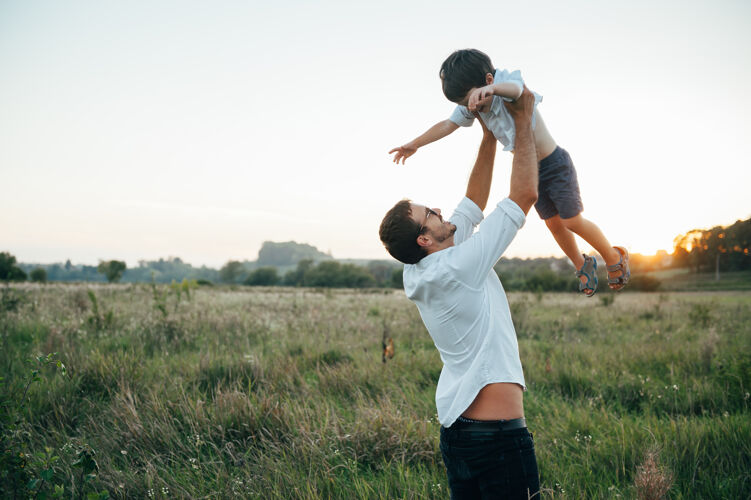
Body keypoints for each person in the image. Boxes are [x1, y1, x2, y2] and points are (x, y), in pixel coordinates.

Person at [379, 87, 540, 499]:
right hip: (498, 438)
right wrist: (521, 121)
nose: (437, 210)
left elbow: (472, 203)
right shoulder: (458, 266)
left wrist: (487, 135)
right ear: (424, 240)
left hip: (459, 436)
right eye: (429, 214)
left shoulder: (418, 273)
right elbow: (523, 196)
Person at [389, 49, 630, 296]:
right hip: (531, 171)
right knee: (554, 225)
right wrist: (416, 143)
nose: (470, 108)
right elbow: (448, 124)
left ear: (489, 81)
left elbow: (518, 91)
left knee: (571, 220)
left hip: (554, 164)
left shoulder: (505, 84)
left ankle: (613, 256)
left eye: (471, 99)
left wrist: (493, 92)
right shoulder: (473, 103)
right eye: (463, 104)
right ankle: (582, 264)